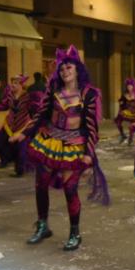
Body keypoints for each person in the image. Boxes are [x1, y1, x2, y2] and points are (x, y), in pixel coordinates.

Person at [19, 45, 109, 251]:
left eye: (69, 67)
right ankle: (43, 225)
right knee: (40, 185)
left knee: (70, 189)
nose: (65, 71)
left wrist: (88, 154)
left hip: (73, 146)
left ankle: (74, 232)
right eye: (62, 69)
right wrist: (24, 133)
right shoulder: (53, 91)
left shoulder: (89, 94)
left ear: (78, 70)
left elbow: (91, 127)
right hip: (49, 142)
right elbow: (40, 114)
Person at [0, 74, 42, 177]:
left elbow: (36, 111)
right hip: (9, 125)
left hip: (23, 126)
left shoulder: (28, 97)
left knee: (21, 150)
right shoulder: (9, 95)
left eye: (15, 83)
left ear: (21, 85)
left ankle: (20, 170)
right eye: (12, 82)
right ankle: (5, 160)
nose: (12, 85)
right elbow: (4, 105)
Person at [114, 78, 135, 144]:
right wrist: (121, 102)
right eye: (128, 86)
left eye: (130, 86)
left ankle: (130, 138)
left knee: (132, 126)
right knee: (118, 121)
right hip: (126, 111)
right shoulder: (124, 95)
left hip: (134, 113)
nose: (129, 88)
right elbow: (121, 102)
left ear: (133, 87)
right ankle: (122, 135)